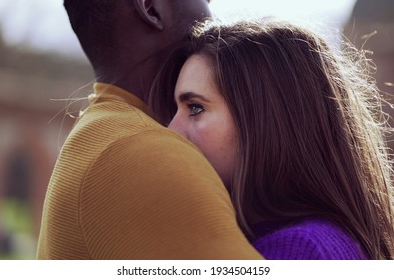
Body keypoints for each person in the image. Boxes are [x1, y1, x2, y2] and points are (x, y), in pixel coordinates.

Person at [150, 20, 394, 259]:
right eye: (175, 110)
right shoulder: (322, 239)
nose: (171, 130)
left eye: (195, 107)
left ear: (264, 117)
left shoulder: (297, 250)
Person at [36, 1, 263, 259]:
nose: (213, 10)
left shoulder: (105, 134)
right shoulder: (142, 153)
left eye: (196, 108)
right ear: (150, 7)